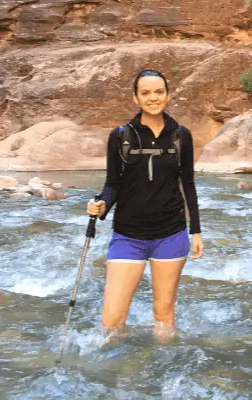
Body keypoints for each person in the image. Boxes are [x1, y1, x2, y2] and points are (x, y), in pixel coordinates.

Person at [87, 69, 203, 342]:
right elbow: (113, 183)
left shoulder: (181, 136)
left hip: (171, 234)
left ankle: (162, 371)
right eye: (146, 93)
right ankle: (117, 375)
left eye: (159, 92)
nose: (153, 98)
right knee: (112, 320)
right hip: (128, 234)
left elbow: (188, 184)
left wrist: (195, 231)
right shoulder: (120, 136)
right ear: (135, 99)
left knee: (164, 316)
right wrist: (102, 204)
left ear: (168, 95)